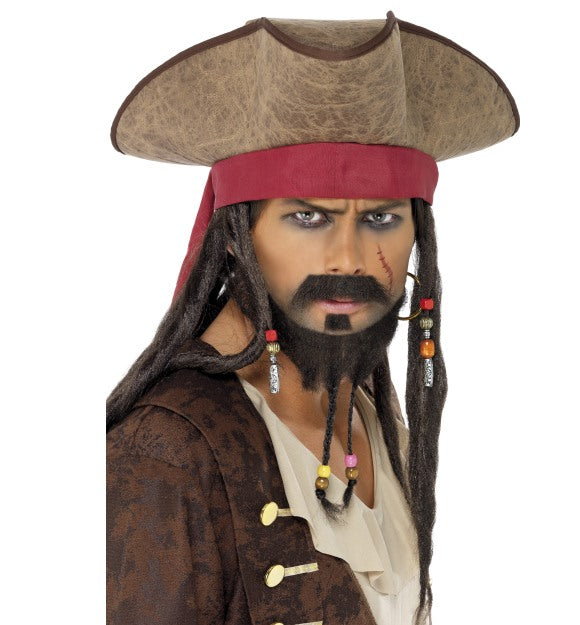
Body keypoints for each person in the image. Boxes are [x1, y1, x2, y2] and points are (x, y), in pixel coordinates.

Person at [106, 11, 519, 625]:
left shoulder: (367, 411)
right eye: (308, 217)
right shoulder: (166, 452)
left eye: (380, 218)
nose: (348, 258)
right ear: (234, 236)